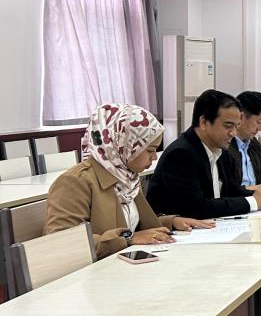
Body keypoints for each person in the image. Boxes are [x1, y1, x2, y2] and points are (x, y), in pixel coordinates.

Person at [45, 104, 213, 259]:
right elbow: (62, 245)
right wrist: (128, 239)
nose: (154, 157)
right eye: (150, 150)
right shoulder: (75, 182)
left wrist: (173, 222)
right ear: (123, 145)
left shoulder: (126, 178)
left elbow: (134, 226)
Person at [147, 90, 261, 219]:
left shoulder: (220, 148)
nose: (234, 133)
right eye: (228, 126)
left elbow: (229, 191)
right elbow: (195, 207)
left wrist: (258, 192)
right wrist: (253, 202)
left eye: (236, 126)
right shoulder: (181, 154)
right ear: (204, 122)